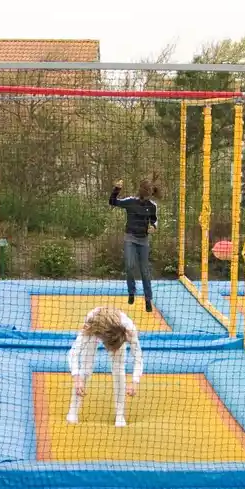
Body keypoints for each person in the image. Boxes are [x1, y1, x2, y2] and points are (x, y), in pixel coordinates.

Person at [67, 307, 142, 428]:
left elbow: (138, 356)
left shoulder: (129, 328)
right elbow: (73, 353)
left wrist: (134, 382)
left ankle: (120, 415)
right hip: (96, 327)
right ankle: (72, 412)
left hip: (118, 334)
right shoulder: (91, 323)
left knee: (118, 369)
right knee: (85, 369)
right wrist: (77, 379)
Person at [109, 177, 159, 313]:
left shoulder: (152, 206)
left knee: (145, 271)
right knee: (130, 266)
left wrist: (154, 227)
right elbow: (112, 202)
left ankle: (148, 299)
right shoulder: (130, 202)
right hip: (130, 238)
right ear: (141, 191)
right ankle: (131, 292)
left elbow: (154, 221)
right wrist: (117, 189)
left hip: (143, 241)